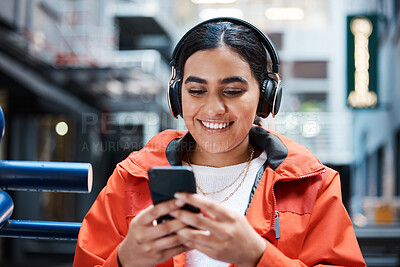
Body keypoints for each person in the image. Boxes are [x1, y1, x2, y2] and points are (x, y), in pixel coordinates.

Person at [73, 17, 366, 267]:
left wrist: (258, 257)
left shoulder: (314, 184)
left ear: (266, 98)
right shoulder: (132, 177)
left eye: (233, 91)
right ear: (177, 97)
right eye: (197, 90)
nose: (213, 109)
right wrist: (124, 260)